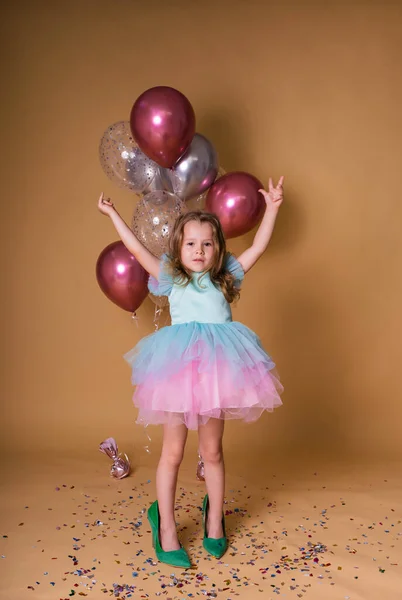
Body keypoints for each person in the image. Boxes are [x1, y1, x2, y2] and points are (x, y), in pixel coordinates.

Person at [97, 176, 284, 568]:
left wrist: (273, 207)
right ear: (179, 249)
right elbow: (136, 248)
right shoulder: (170, 278)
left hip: (218, 371)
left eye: (207, 243)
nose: (199, 251)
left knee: (212, 451)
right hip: (178, 371)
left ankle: (214, 519)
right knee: (174, 452)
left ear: (217, 250)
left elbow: (260, 245)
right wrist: (112, 213)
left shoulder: (226, 276)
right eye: (190, 244)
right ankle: (164, 524)